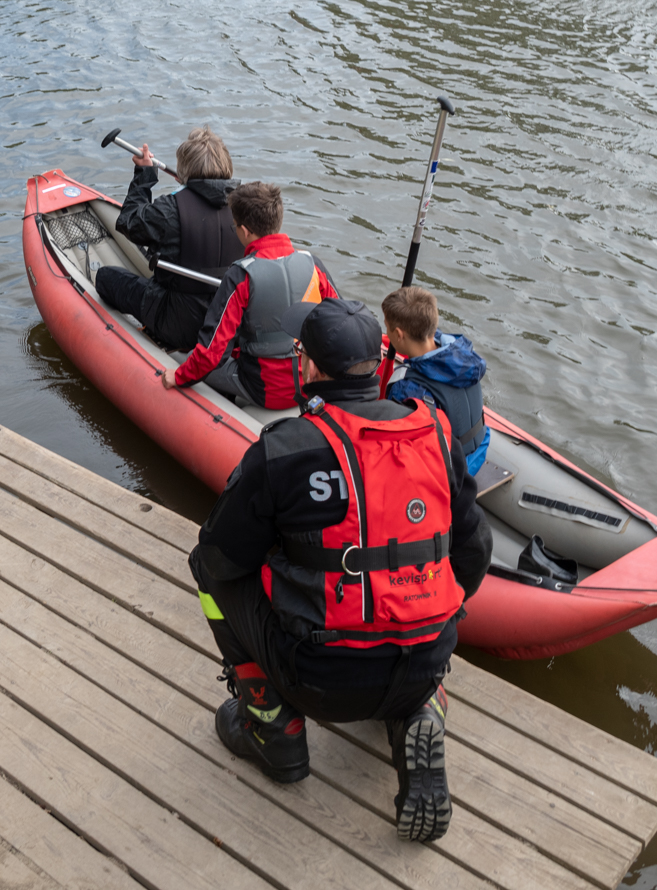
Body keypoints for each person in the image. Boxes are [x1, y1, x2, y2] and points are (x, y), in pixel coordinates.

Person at [190, 298, 493, 841]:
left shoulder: (284, 449)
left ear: (305, 366)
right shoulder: (437, 433)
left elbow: (218, 555)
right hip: (426, 656)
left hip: (319, 679)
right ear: (381, 364)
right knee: (413, 617)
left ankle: (273, 726)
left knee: (208, 572)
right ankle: (419, 709)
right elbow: (474, 553)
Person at [161, 183, 342, 409]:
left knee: (185, 359)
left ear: (245, 231)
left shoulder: (241, 275)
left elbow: (212, 354)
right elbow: (340, 320)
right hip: (310, 380)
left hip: (266, 389)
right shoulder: (313, 264)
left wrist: (178, 376)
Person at [95, 127, 242, 351]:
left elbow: (128, 222)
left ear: (186, 170)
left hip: (177, 324)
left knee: (105, 277)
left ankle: (151, 333)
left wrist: (144, 176)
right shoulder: (246, 207)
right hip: (226, 323)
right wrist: (188, 187)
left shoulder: (170, 209)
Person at [382, 286, 491, 477]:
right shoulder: (464, 355)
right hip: (479, 452)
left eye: (387, 328)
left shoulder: (407, 388)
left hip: (449, 472)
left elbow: (399, 447)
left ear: (399, 335)